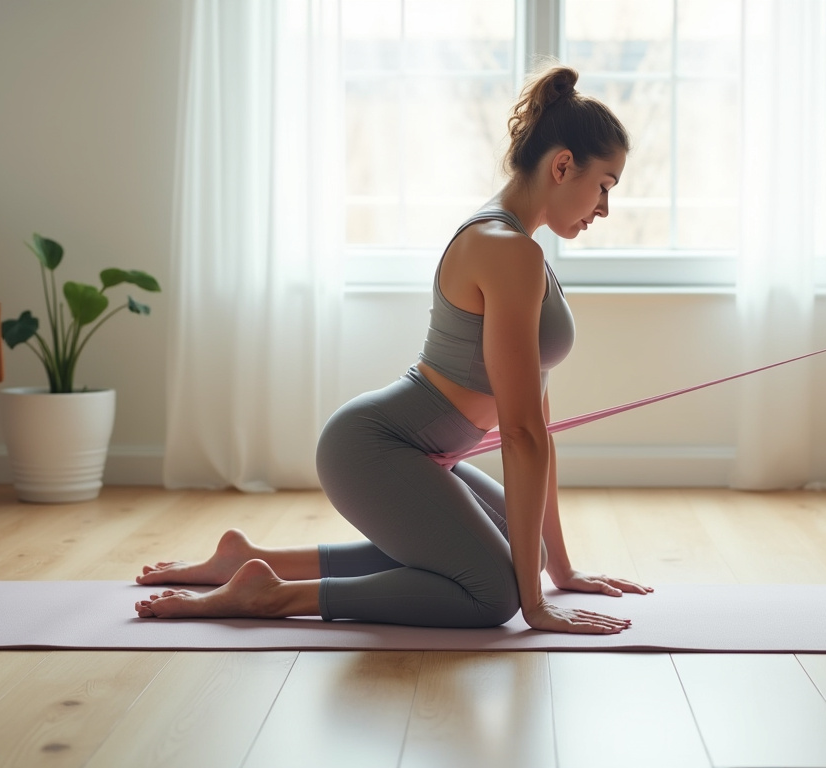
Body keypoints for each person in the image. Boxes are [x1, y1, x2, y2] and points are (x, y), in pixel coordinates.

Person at [135, 65, 650, 634]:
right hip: (374, 447)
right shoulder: (505, 250)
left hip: (420, 450)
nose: (604, 208)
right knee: (493, 595)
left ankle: (246, 563)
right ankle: (271, 596)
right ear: (562, 165)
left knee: (514, 551)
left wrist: (561, 569)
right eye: (605, 185)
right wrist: (535, 605)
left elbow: (538, 425)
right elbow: (522, 437)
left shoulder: (524, 251)